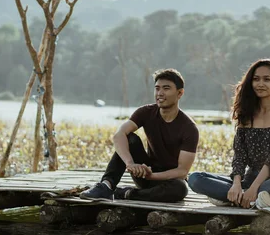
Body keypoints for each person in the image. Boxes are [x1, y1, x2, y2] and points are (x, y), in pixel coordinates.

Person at [188, 58, 270, 209]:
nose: (260, 84)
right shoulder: (246, 113)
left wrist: (254, 188)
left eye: (266, 79)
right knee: (195, 178)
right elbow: (239, 155)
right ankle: (250, 197)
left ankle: (241, 197)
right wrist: (236, 184)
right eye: (256, 79)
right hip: (249, 178)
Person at [80, 68, 199, 203]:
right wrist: (130, 164)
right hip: (143, 171)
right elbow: (119, 135)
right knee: (129, 139)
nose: (160, 93)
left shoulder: (189, 128)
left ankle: (128, 193)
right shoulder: (145, 112)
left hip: (167, 181)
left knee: (180, 188)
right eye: (157, 88)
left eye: (166, 89)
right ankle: (106, 186)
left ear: (180, 93)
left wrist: (151, 176)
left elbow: (182, 171)